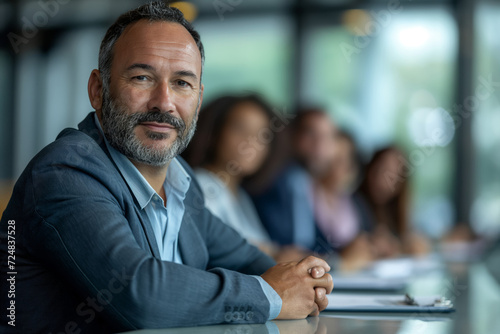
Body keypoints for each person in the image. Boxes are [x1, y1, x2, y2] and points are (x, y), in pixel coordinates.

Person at [0, 3, 333, 333]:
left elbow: (255, 263)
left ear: (199, 101)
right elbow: (139, 294)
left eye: (182, 83)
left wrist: (307, 279)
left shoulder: (180, 185)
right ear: (98, 90)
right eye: (142, 77)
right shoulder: (64, 173)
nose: (164, 102)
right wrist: (270, 294)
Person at [183, 95, 308, 260]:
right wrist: (276, 255)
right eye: (240, 129)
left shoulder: (240, 195)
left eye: (261, 135)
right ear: (215, 133)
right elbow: (215, 248)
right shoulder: (202, 185)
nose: (251, 141)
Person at [252, 108, 337, 256]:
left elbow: (315, 242)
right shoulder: (269, 180)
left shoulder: (303, 182)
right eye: (311, 133)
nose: (320, 145)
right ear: (292, 135)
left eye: (327, 136)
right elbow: (283, 248)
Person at [354, 147, 430, 258]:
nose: (384, 178)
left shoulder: (394, 214)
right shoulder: (355, 204)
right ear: (370, 167)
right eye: (381, 169)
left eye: (393, 175)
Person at [313, 131, 373, 270]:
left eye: (347, 159)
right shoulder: (305, 196)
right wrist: (343, 259)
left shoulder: (354, 201)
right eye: (337, 159)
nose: (344, 166)